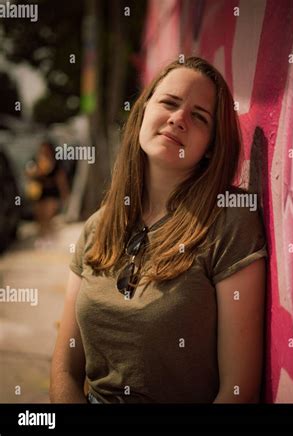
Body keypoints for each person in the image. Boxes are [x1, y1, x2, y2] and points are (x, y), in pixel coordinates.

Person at [50, 56, 267, 403]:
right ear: (142, 114)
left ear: (211, 146)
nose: (179, 119)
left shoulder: (230, 221)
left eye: (199, 116)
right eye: (169, 102)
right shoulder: (98, 225)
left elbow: (238, 390)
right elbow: (64, 370)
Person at [25, 141, 70, 238]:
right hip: (40, 195)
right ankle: (43, 237)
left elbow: (61, 180)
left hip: (51, 194)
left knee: (49, 217)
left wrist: (64, 195)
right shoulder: (35, 162)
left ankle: (50, 237)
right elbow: (29, 176)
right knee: (40, 218)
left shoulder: (57, 163)